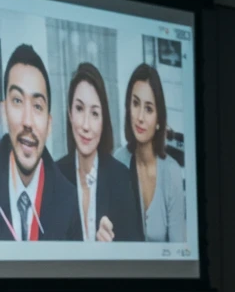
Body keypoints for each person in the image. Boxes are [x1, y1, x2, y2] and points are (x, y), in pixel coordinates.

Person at [0, 43, 79, 242]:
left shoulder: (68, 201)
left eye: (37, 106)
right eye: (17, 101)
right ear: (3, 111)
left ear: (49, 124)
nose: (27, 121)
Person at [58, 62, 142, 242]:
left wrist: (112, 250)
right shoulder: (55, 177)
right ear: (70, 114)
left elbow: (135, 252)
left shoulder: (122, 178)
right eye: (79, 109)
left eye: (95, 113)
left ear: (103, 121)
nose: (86, 125)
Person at [114, 63, 185, 242]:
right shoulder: (118, 162)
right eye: (135, 103)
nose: (140, 117)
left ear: (159, 120)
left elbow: (178, 249)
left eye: (149, 109)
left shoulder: (172, 173)